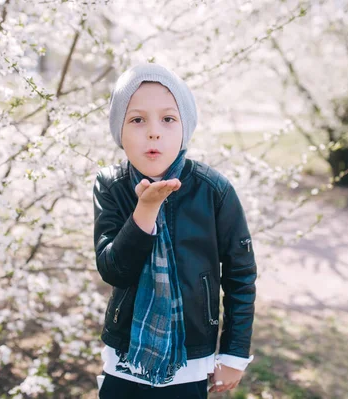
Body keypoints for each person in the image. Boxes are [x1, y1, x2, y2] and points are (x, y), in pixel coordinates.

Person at [93, 63, 257, 399]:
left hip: (190, 357)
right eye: (137, 119)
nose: (154, 132)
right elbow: (113, 270)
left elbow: (240, 274)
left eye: (168, 119)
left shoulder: (213, 190)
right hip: (126, 354)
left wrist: (234, 352)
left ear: (185, 127)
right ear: (118, 132)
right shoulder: (111, 185)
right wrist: (146, 210)